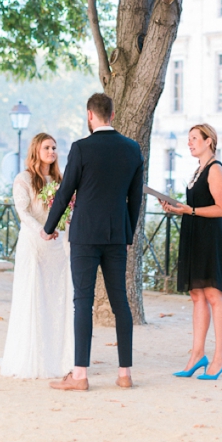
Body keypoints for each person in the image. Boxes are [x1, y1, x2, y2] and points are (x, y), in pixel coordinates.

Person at [41, 92, 144, 391]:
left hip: (85, 235)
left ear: (90, 115)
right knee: (120, 303)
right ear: (112, 115)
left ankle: (80, 376)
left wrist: (49, 227)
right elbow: (135, 198)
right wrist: (127, 233)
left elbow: (65, 192)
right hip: (116, 236)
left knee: (82, 303)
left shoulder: (81, 148)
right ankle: (125, 374)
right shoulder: (132, 149)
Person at [0, 133, 73, 379]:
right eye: (47, 147)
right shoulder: (24, 179)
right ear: (36, 150)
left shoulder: (61, 180)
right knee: (33, 297)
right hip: (34, 244)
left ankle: (59, 357)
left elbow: (68, 209)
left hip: (57, 249)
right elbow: (23, 212)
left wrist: (62, 228)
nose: (51, 151)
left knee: (57, 299)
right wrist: (42, 231)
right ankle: (32, 357)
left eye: (54, 147)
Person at [163, 123, 222, 380]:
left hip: (210, 238)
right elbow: (196, 204)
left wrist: (189, 211)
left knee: (214, 295)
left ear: (208, 141)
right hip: (194, 234)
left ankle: (220, 357)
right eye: (189, 138)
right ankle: (197, 355)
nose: (189, 143)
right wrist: (176, 208)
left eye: (194, 138)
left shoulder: (215, 169)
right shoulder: (198, 170)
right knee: (196, 295)